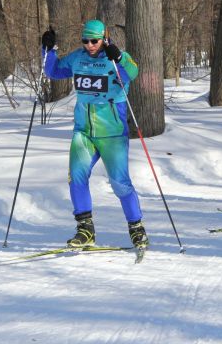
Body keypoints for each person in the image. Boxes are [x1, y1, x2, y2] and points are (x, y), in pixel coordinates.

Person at [41, 19, 148, 248]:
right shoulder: (77, 58)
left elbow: (132, 72)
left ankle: (137, 228)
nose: (90, 45)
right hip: (84, 132)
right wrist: (48, 50)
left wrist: (118, 57)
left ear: (104, 38)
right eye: (85, 40)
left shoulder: (115, 58)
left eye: (95, 40)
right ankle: (85, 229)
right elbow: (53, 71)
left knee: (120, 183)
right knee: (76, 176)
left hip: (112, 133)